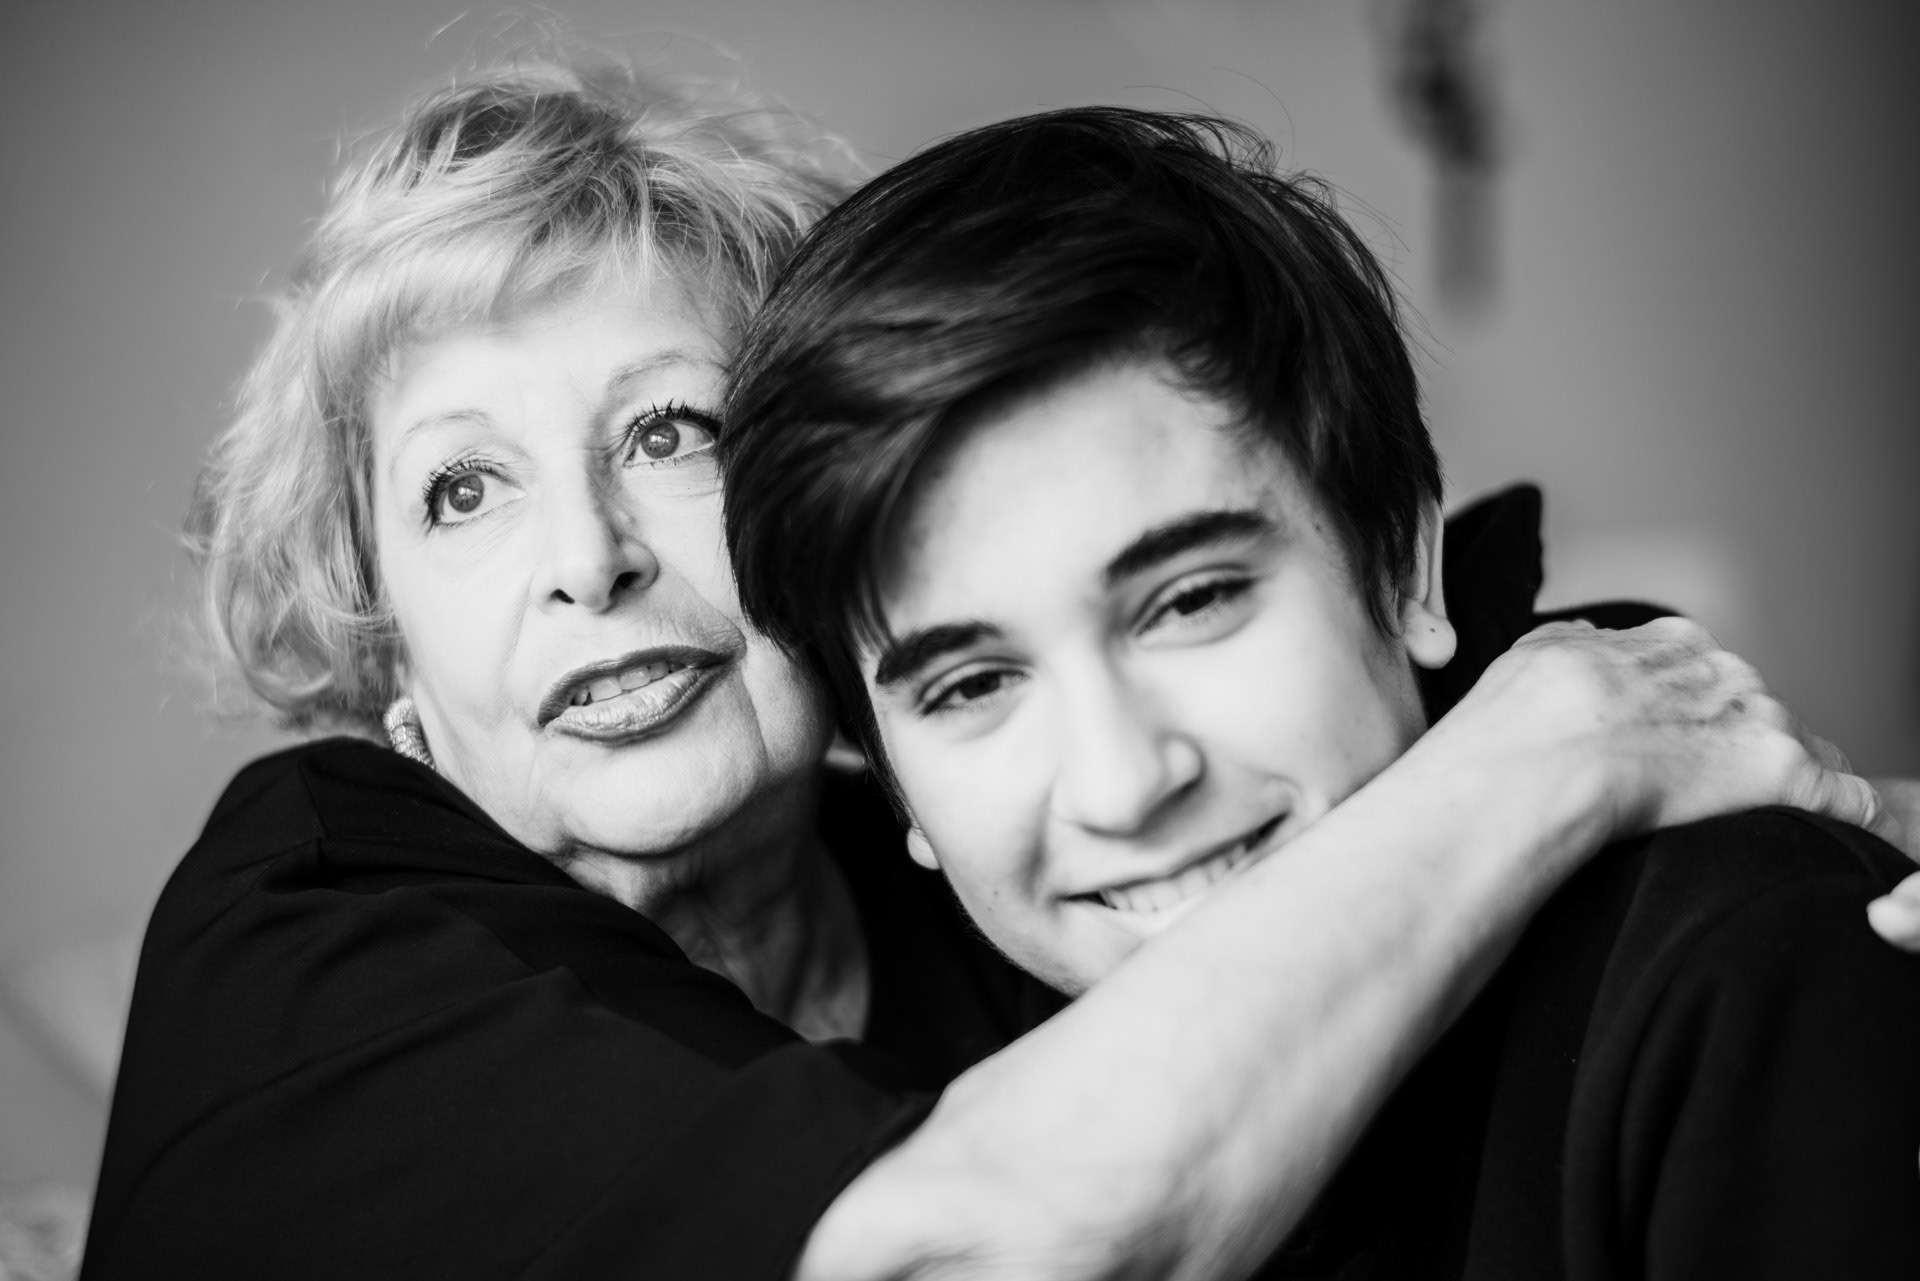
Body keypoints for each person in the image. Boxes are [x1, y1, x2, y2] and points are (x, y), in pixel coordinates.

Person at [79, 63, 1899, 1281]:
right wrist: (1560, 741)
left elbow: (1422, 642)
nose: (590, 556)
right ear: (386, 651)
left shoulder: (986, 868)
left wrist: (1808, 821)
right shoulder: (310, 935)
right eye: (462, 490)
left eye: (668, 432)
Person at [719, 106, 1920, 1278]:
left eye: (1192, 601)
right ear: (896, 786)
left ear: (1401, 567)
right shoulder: (902, 1111)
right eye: (973, 684)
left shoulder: (1737, 960)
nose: (1123, 785)